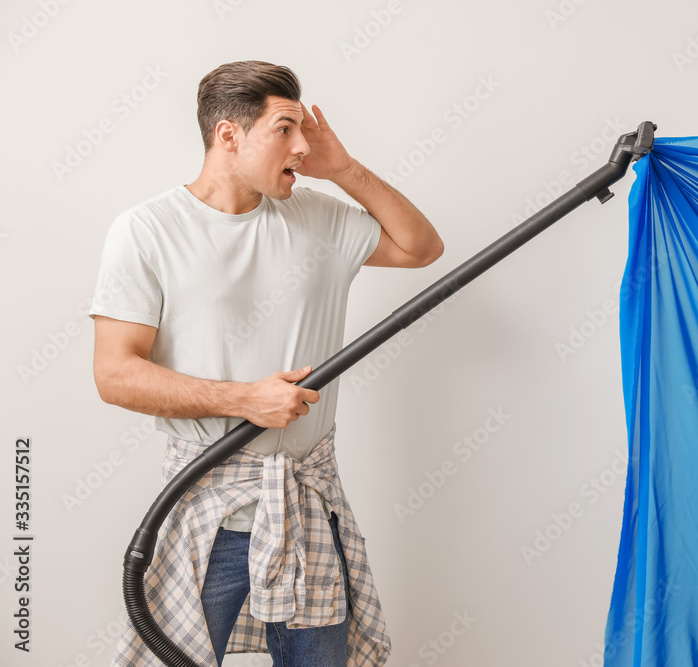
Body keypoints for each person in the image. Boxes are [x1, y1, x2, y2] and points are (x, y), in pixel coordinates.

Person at [90, 60, 443, 667]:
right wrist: (242, 399)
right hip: (210, 518)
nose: (303, 146)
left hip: (309, 515)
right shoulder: (147, 231)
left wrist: (345, 170)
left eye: (303, 130)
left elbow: (421, 247)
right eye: (286, 129)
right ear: (229, 134)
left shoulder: (317, 217)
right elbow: (115, 374)